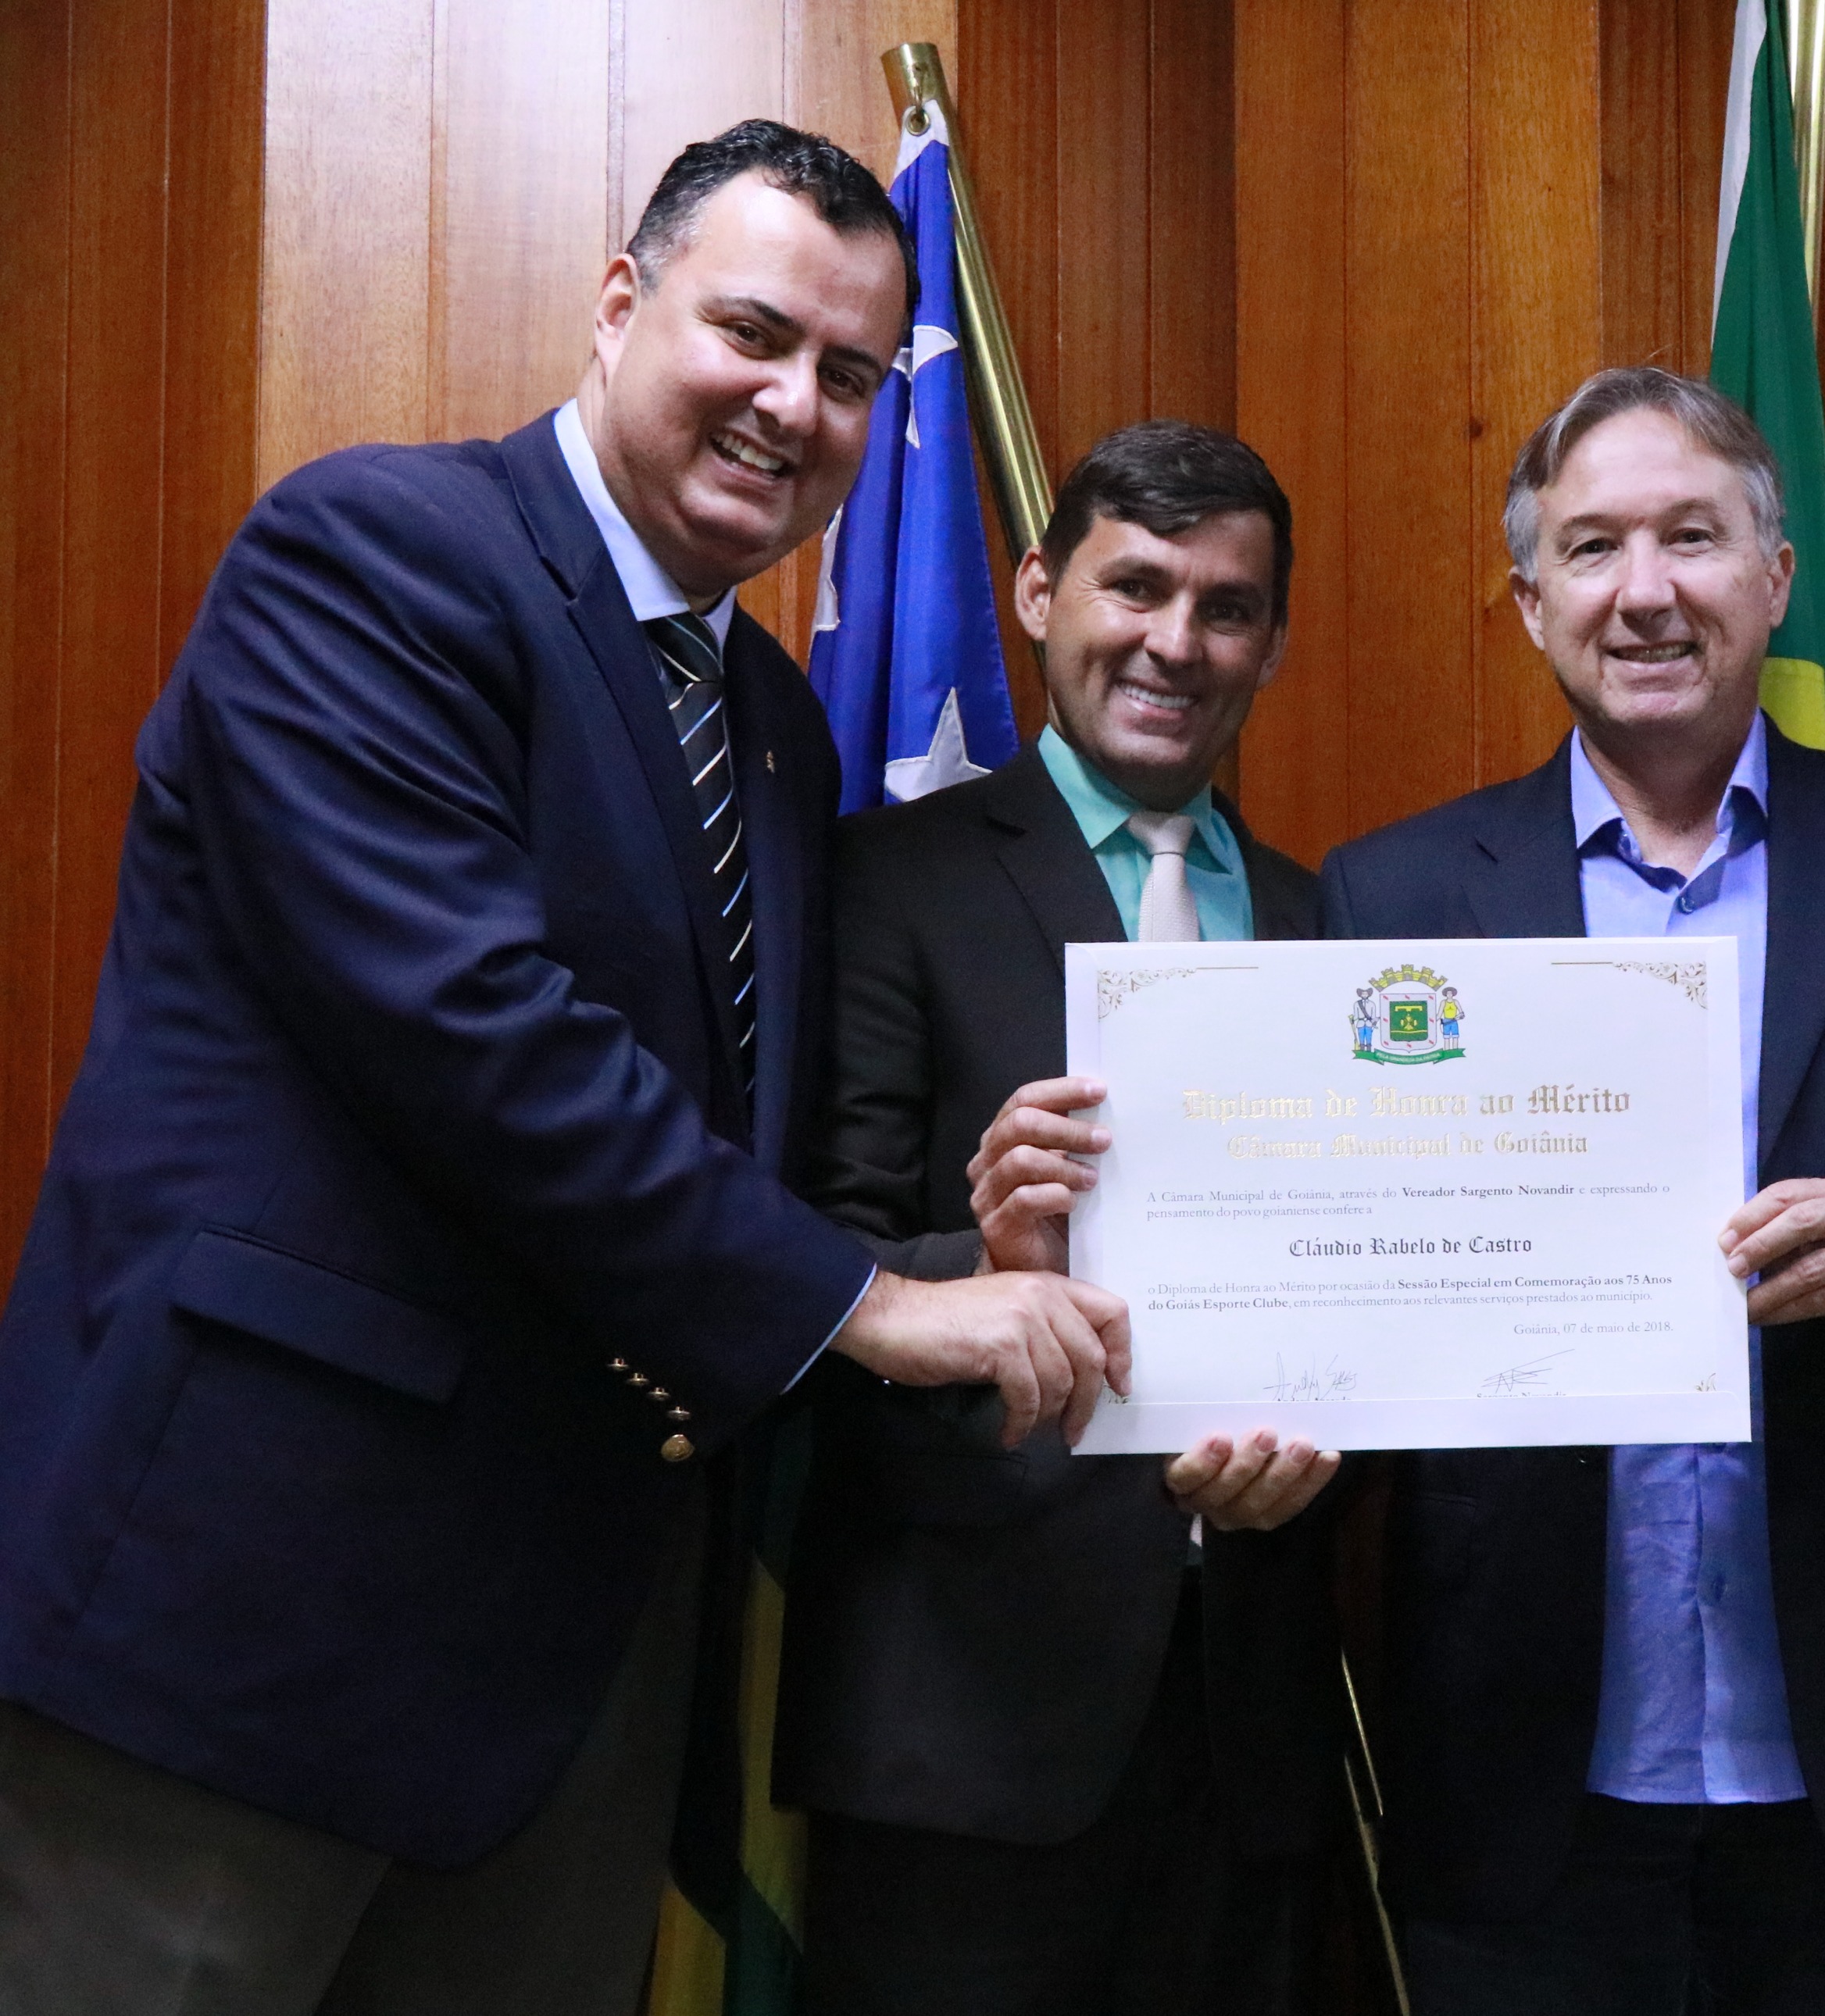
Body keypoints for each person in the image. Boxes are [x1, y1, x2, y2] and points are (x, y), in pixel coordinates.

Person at [0, 122, 1129, 2016]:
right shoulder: (375, 556)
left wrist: (970, 1269)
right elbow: (475, 1037)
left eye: (851, 375)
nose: (795, 406)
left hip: (563, 1684)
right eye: (751, 333)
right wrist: (873, 1308)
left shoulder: (769, 724)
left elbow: (712, 1166)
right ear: (620, 305)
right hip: (244, 1620)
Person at [1310, 366, 1825, 2013]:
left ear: (1776, 574)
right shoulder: (1394, 895)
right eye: (1593, 546)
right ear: (1531, 603)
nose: (1646, 589)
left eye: (1693, 535)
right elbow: (1346, 1269)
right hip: (1521, 1749)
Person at [777, 421, 1345, 2015]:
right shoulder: (884, 881)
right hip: (962, 1728)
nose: (1177, 640)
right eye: (1135, 586)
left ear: (1272, 643)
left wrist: (1333, 1431)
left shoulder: (1332, 926)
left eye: (1227, 607)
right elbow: (798, 1255)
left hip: (1247, 1730)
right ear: (1038, 592)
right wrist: (988, 1266)